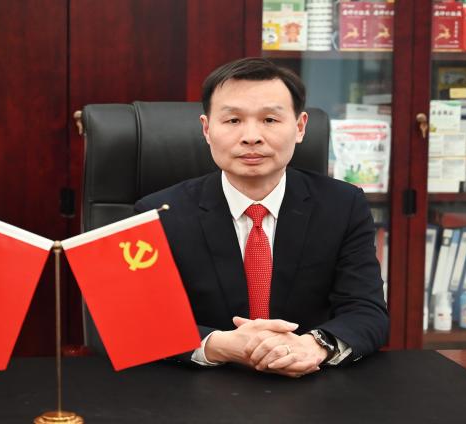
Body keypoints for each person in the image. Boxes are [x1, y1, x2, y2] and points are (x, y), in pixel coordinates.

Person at [135, 57, 389, 378]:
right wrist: (219, 345)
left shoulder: (343, 205)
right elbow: (140, 322)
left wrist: (313, 346)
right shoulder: (158, 214)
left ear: (300, 127)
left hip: (314, 385)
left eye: (270, 119)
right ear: (207, 129)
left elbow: (366, 311)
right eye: (233, 120)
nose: (251, 136)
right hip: (201, 386)